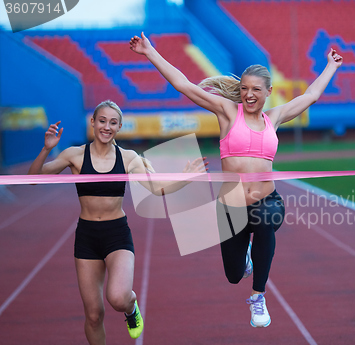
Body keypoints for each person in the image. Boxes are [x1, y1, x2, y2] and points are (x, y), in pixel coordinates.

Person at [130, 32, 343, 328]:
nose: (249, 94)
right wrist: (150, 52)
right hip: (230, 207)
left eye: (256, 89)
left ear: (268, 91)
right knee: (232, 274)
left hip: (268, 201)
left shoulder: (275, 117)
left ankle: (258, 296)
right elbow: (184, 85)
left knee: (264, 218)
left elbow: (311, 96)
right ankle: (244, 262)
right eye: (244, 89)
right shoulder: (228, 113)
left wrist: (331, 67)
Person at [28, 100, 207, 345]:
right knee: (93, 314)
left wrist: (184, 178)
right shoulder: (74, 155)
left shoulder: (129, 158)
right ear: (93, 123)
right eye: (102, 121)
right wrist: (47, 148)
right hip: (86, 236)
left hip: (116, 234)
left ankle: (131, 307)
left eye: (113, 122)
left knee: (118, 297)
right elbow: (32, 181)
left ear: (119, 127)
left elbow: (157, 188)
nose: (106, 127)